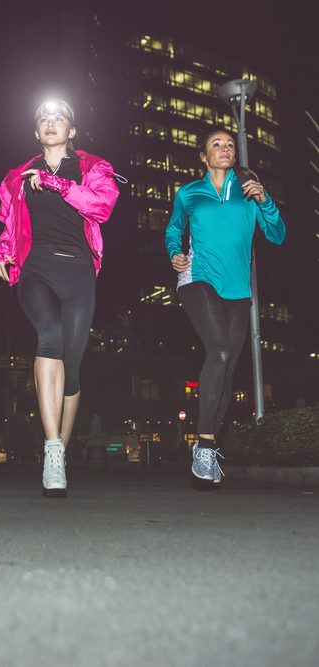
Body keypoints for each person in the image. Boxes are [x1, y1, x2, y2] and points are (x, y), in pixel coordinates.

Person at [0, 99, 120, 497]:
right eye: (43, 119)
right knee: (49, 336)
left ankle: (61, 447)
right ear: (36, 132)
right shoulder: (18, 176)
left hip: (78, 271)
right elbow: (11, 223)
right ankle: (52, 450)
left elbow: (102, 206)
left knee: (73, 367)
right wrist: (1, 252)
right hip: (36, 270)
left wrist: (57, 184)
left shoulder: (92, 167)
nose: (51, 123)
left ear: (71, 130)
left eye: (59, 117)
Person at [165, 129, 285, 485]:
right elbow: (173, 229)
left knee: (229, 365)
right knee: (218, 351)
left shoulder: (248, 192)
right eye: (216, 144)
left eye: (230, 144)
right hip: (197, 277)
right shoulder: (189, 192)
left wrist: (265, 200)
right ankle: (204, 445)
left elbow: (277, 235)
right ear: (204, 156)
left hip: (237, 289)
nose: (225, 148)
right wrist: (174, 252)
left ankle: (210, 443)